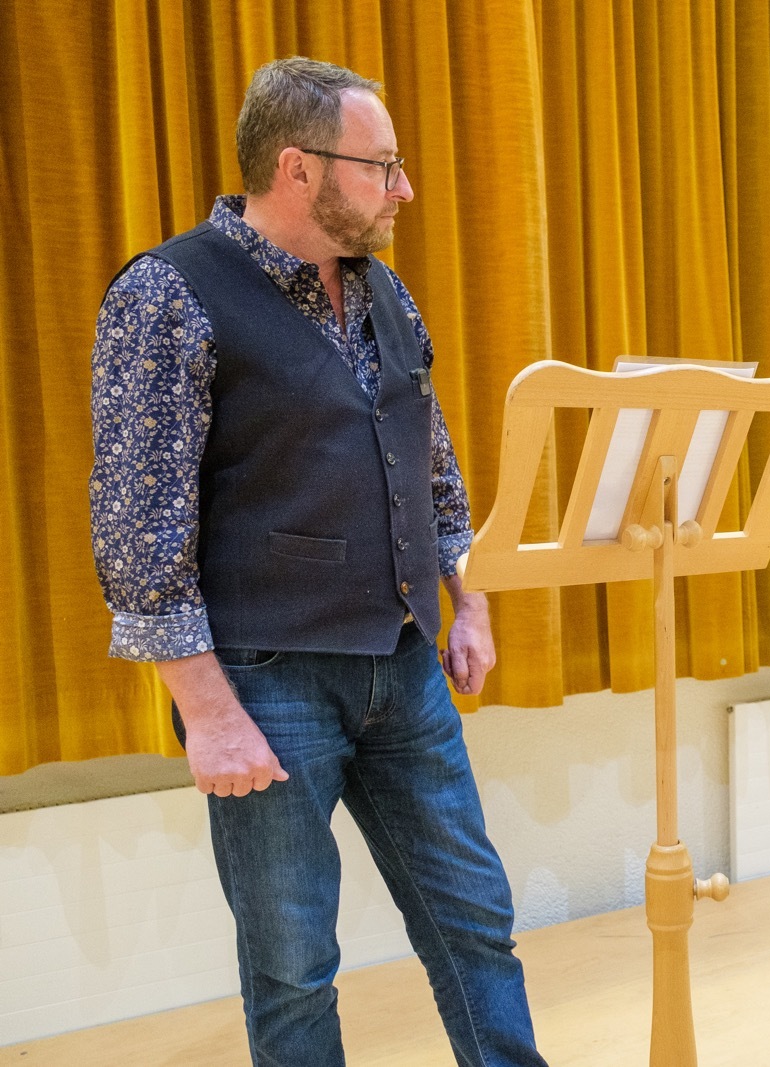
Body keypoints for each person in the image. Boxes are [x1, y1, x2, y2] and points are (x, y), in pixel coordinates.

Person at [89, 57, 550, 1065]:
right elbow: (136, 525)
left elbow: (430, 457)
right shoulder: (167, 292)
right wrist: (207, 712)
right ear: (297, 168)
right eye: (380, 166)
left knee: (476, 922)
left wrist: (467, 598)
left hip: (404, 663)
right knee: (293, 969)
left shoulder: (383, 288)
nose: (403, 188)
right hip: (266, 681)